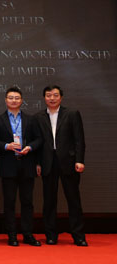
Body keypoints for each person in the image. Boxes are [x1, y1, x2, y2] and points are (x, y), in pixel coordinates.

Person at [0, 86, 43, 246]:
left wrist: (30, 147)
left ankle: (28, 234)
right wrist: (6, 146)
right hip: (8, 165)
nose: (14, 100)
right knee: (9, 202)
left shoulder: (31, 119)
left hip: (27, 164)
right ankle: (12, 235)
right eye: (11, 98)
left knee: (27, 202)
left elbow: (39, 139)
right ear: (6, 100)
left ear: (22, 100)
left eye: (17, 98)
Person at [35, 85, 87, 246]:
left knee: (73, 200)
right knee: (49, 201)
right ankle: (51, 235)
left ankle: (79, 236)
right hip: (47, 162)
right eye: (48, 95)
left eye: (55, 95)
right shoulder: (38, 117)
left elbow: (79, 139)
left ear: (61, 97)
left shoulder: (72, 114)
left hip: (69, 162)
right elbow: (37, 142)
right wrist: (38, 163)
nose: (52, 98)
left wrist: (79, 160)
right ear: (44, 98)